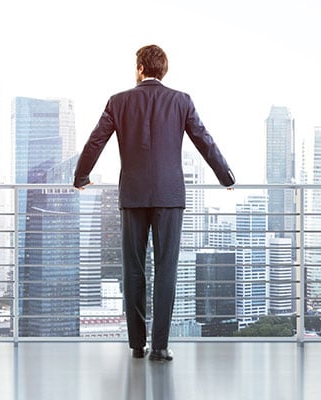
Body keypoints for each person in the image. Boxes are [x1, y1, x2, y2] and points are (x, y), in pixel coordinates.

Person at [74, 44, 235, 362]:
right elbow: (204, 138)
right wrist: (226, 176)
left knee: (133, 270)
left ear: (139, 68)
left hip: (133, 196)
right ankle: (159, 346)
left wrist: (81, 177)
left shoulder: (118, 101)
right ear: (164, 70)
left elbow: (96, 140)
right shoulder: (181, 101)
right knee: (166, 270)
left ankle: (137, 345)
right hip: (169, 196)